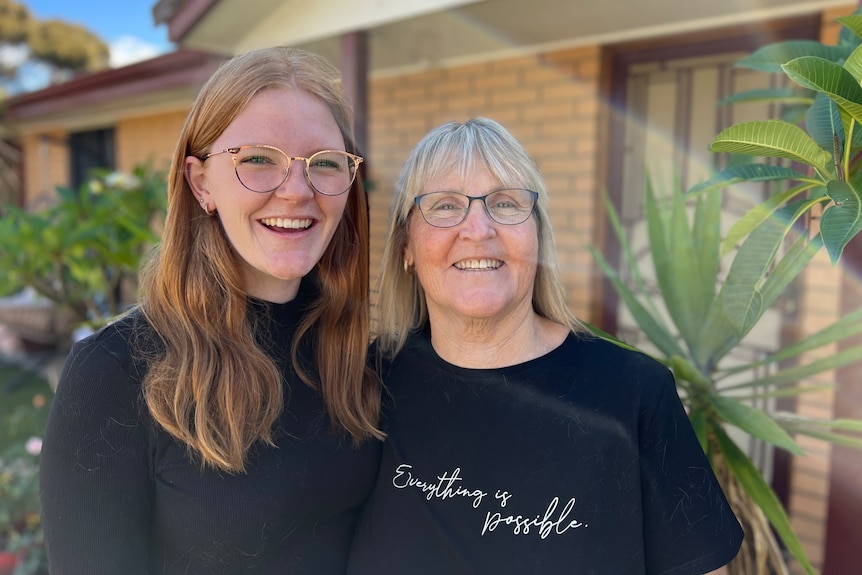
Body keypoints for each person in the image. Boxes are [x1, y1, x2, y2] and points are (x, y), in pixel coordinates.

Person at [40, 46, 382, 574]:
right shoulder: (115, 373)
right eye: (258, 160)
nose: (297, 191)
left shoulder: (357, 355)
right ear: (201, 184)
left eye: (324, 164)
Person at [348, 118, 743, 575]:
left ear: (537, 237)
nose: (478, 228)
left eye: (505, 203)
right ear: (406, 247)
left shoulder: (634, 394)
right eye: (445, 206)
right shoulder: (363, 385)